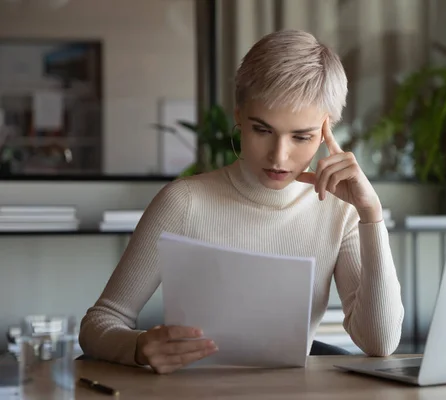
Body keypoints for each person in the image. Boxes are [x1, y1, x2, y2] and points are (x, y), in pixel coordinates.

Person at [79, 29, 404, 374]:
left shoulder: (340, 211)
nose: (279, 156)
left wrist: (371, 214)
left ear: (328, 129)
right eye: (262, 130)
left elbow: (380, 342)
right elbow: (100, 322)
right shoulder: (183, 203)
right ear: (239, 116)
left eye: (301, 137)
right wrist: (139, 347)